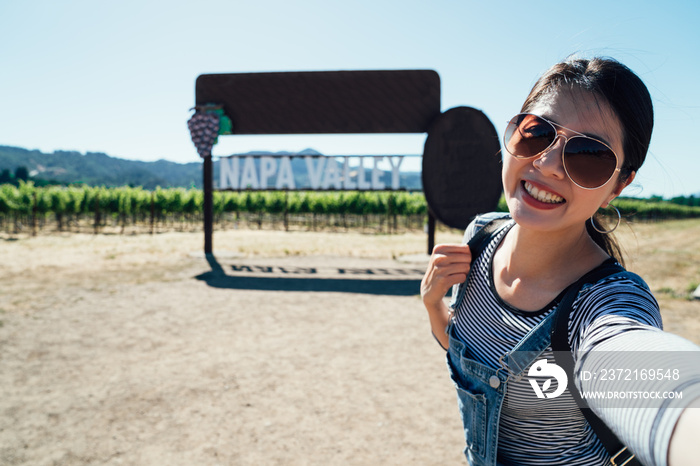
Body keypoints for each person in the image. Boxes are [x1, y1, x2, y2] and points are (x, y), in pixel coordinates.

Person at [420, 56, 700, 466]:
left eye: (589, 155)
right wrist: (434, 307)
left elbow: (641, 370)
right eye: (537, 133)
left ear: (619, 185)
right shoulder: (479, 240)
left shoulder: (602, 305)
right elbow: (476, 355)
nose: (547, 165)